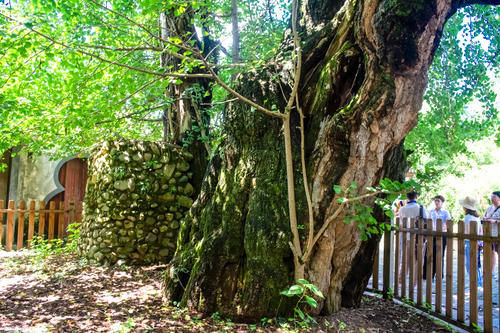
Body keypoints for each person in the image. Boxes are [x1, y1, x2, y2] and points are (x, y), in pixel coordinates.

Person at [398, 190, 428, 284]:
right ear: (416, 197)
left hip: (407, 237)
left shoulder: (402, 209)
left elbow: (401, 223)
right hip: (419, 237)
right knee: (417, 259)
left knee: (405, 258)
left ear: (407, 198)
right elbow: (426, 222)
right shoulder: (420, 208)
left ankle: (401, 279)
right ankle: (415, 281)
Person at [423, 195, 450, 280]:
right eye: (435, 201)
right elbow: (428, 222)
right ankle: (427, 274)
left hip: (442, 235)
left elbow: (448, 224)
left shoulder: (445, 212)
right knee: (429, 254)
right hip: (432, 235)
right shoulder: (431, 211)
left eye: (438, 201)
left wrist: (441, 228)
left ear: (442, 202)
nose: (436, 202)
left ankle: (439, 275)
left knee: (439, 255)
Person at [459, 196, 483, 286]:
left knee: (470, 264)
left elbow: (468, 230)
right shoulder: (477, 216)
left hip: (469, 241)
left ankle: (475, 282)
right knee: (475, 263)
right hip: (476, 240)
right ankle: (478, 281)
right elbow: (480, 230)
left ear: (466, 207)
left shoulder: (467, 217)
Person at [483, 191, 500, 276]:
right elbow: (485, 217)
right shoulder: (489, 208)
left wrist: (495, 221)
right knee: (491, 253)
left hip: (498, 234)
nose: (492, 198)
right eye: (491, 197)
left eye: (494, 197)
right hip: (489, 234)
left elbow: (495, 220)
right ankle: (491, 272)